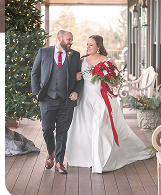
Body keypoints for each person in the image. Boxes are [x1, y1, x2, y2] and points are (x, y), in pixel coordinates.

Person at [65, 35, 155, 172]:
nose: (88, 47)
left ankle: (102, 160)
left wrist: (105, 77)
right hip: (85, 98)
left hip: (102, 98)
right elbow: (74, 77)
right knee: (87, 128)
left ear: (98, 47)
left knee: (100, 127)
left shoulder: (108, 62)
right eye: (87, 44)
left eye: (91, 45)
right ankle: (88, 157)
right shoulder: (81, 60)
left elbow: (117, 82)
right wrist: (76, 79)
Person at [30, 30, 83, 174]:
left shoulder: (75, 55)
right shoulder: (44, 52)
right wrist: (36, 92)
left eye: (72, 40)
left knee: (62, 131)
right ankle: (51, 152)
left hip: (66, 101)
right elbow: (34, 73)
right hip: (47, 98)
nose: (71, 42)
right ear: (59, 38)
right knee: (47, 129)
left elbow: (80, 77)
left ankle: (59, 161)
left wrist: (76, 92)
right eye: (69, 39)